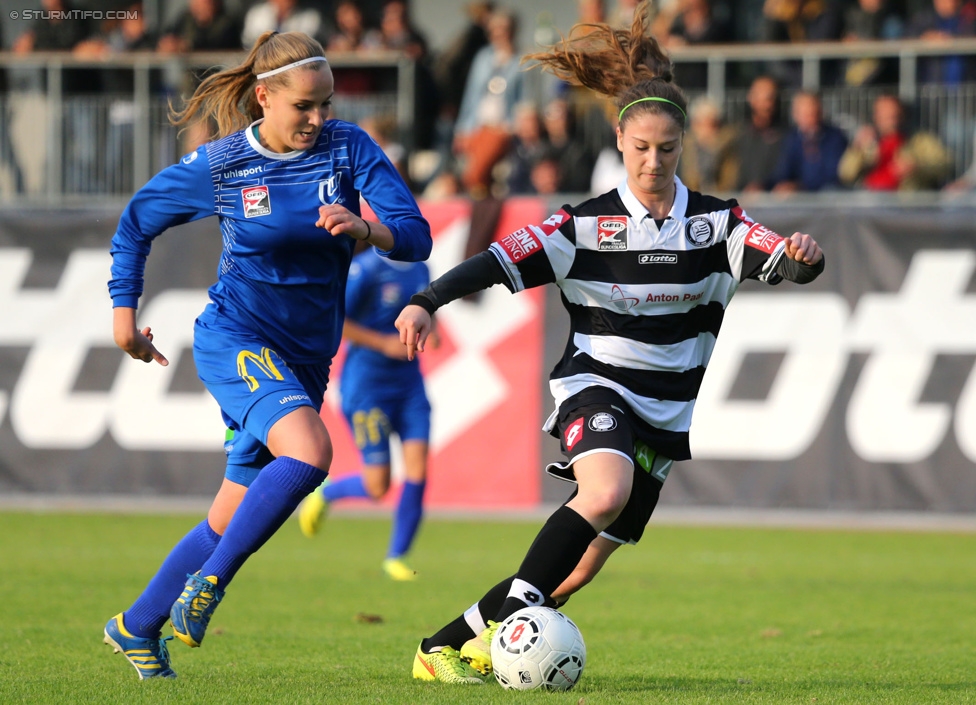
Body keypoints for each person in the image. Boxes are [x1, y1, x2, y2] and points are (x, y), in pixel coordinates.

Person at [396, 0, 824, 685]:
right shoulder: (582, 227)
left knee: (576, 570)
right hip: (596, 389)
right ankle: (467, 644)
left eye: (668, 149)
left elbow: (794, 262)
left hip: (665, 416)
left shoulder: (719, 226)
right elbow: (496, 262)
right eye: (641, 148)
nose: (654, 162)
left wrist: (805, 253)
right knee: (603, 488)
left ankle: (444, 644)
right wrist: (425, 299)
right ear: (620, 143)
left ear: (684, 146)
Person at [102, 31, 431, 680]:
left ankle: (137, 625)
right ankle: (210, 587)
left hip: (308, 358)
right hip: (236, 337)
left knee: (227, 517)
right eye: (304, 106)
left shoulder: (349, 148)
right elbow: (138, 218)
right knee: (310, 452)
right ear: (263, 98)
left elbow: (415, 236)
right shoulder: (224, 165)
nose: (318, 119)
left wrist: (368, 227)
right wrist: (123, 317)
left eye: (326, 104)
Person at [298, 248, 435, 581]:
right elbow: (336, 319)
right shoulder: (365, 270)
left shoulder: (421, 269)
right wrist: (383, 343)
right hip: (368, 389)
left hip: (410, 386)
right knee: (378, 486)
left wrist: (435, 328)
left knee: (418, 467)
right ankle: (326, 493)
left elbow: (427, 308)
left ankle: (397, 556)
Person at [838, 94, 950, 191]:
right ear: (876, 117)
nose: (892, 120)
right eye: (886, 115)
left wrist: (916, 166)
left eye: (894, 115)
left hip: (909, 206)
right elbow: (846, 174)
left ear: (902, 115)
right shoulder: (868, 143)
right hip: (873, 204)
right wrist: (857, 148)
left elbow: (945, 165)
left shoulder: (920, 142)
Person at [771, 91, 847, 193]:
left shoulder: (834, 138)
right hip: (797, 197)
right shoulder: (791, 140)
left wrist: (800, 186)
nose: (812, 119)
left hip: (826, 195)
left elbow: (832, 174)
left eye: (814, 113)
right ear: (796, 115)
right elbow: (783, 171)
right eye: (806, 114)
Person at [734, 74, 784, 192]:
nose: (766, 104)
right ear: (750, 97)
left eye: (770, 97)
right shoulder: (738, 134)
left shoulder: (785, 136)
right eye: (761, 96)